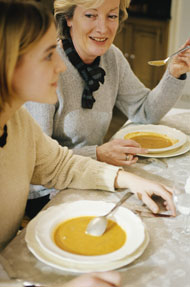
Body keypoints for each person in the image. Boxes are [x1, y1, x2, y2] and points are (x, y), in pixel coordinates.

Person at [0, 0, 176, 269]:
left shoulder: (18, 122)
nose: (60, 67)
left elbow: (58, 164)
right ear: (7, 59)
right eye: (48, 54)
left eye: (112, 16)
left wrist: (128, 179)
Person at [25, 0, 190, 212]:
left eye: (111, 16)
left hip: (90, 174)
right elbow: (38, 160)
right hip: (44, 192)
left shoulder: (112, 58)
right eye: (91, 15)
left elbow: (145, 111)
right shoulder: (46, 68)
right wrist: (98, 154)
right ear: (68, 19)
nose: (103, 28)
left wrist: (174, 73)